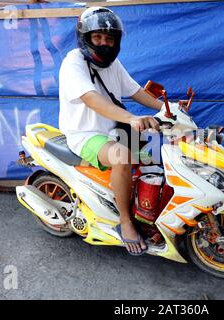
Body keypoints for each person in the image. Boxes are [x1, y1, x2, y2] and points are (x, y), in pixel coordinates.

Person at [58, 7, 164, 255]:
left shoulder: (113, 64)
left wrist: (168, 109)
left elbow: (136, 91)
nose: (104, 43)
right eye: (98, 38)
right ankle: (125, 222)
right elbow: (91, 99)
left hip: (114, 129)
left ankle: (147, 208)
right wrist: (131, 117)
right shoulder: (74, 61)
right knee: (123, 157)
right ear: (86, 37)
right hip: (84, 134)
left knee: (157, 151)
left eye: (109, 38)